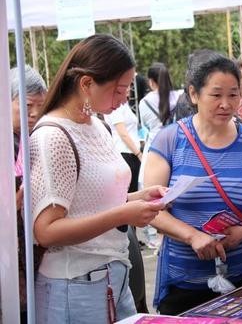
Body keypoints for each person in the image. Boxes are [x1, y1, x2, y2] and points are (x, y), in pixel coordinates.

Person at [29, 34, 165, 323]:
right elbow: (47, 230)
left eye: (126, 90)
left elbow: (90, 202)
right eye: (117, 90)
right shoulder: (53, 136)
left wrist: (138, 199)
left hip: (111, 275)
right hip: (75, 284)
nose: (122, 99)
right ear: (86, 83)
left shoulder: (98, 126)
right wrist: (124, 212)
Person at [144, 53, 242, 315]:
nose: (226, 104)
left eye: (233, 94)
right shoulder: (169, 140)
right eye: (216, 95)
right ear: (194, 94)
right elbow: (151, 208)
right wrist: (193, 236)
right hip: (185, 281)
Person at [10, 65, 47, 323]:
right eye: (26, 105)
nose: (33, 114)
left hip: (33, 251)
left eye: (39, 106)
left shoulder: (35, 138)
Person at [138, 62, 178, 249]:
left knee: (153, 190)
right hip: (176, 143)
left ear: (151, 81)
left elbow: (145, 124)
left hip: (155, 145)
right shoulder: (177, 96)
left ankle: (157, 235)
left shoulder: (145, 101)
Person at [104, 101, 142, 193]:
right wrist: (139, 153)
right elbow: (123, 134)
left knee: (133, 191)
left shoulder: (124, 105)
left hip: (131, 153)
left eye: (129, 86)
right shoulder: (115, 107)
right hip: (125, 154)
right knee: (129, 193)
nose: (128, 88)